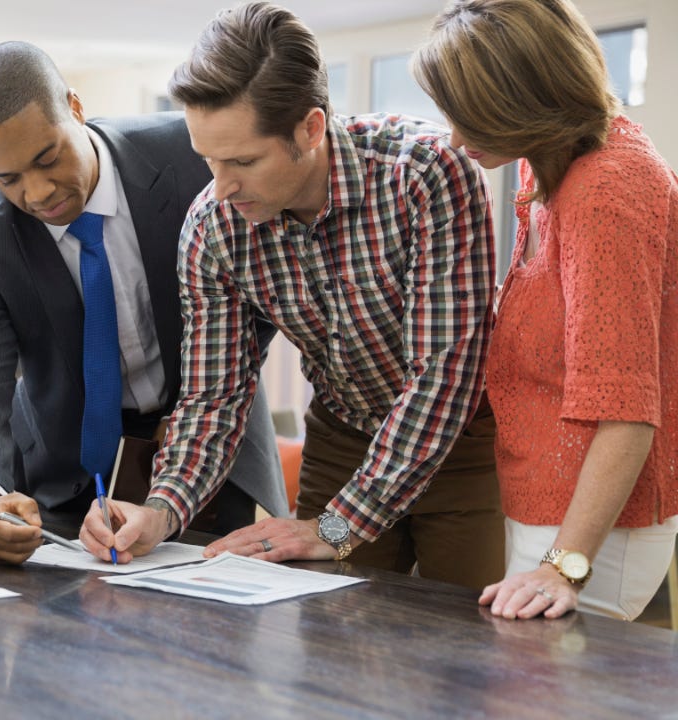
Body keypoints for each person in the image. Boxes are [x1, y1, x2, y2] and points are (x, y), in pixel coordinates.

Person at [81, 2, 505, 590]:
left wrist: (336, 526)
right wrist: (161, 509)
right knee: (331, 639)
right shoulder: (214, 226)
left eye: (243, 161)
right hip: (343, 436)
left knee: (466, 648)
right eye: (208, 159)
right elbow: (215, 395)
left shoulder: (428, 173)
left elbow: (444, 375)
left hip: (461, 443)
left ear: (310, 127)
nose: (221, 187)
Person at [0, 41, 286, 564]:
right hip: (64, 479)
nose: (36, 193)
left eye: (47, 158)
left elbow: (266, 288)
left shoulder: (191, 157)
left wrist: (211, 392)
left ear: (75, 109)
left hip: (209, 449)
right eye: (6, 179)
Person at [411, 0, 678, 620]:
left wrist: (566, 566)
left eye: (469, 117)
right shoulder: (546, 167)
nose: (453, 137)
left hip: (593, 533)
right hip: (548, 507)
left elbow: (628, 411)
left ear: (523, 101)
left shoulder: (606, 189)